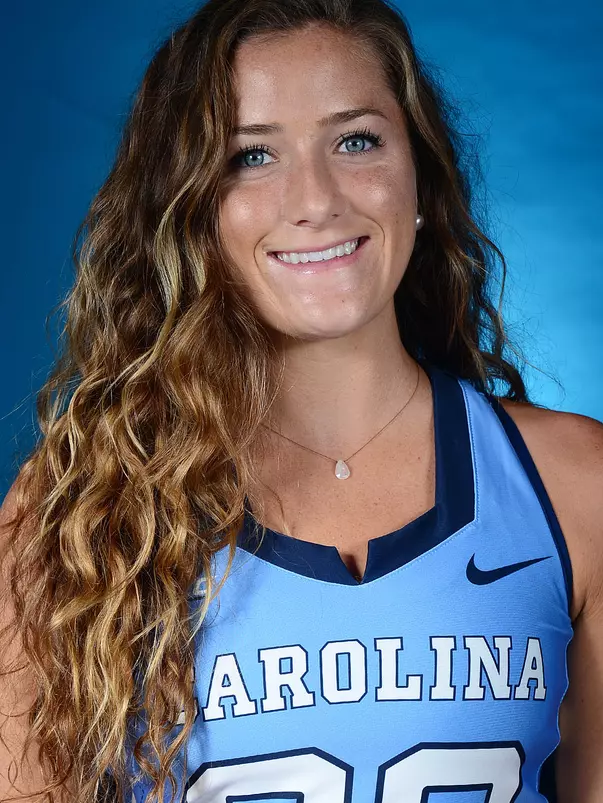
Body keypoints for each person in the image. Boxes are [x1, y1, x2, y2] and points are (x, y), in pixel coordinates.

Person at [1, 0, 602, 801]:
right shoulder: (80, 507)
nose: (315, 198)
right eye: (251, 156)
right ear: (189, 208)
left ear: (417, 175)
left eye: (356, 141)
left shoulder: (573, 484)